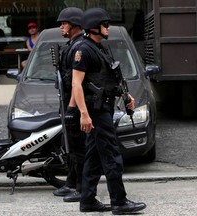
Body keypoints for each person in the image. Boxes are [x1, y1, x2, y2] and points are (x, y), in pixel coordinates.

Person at [71, 8, 147, 214]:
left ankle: (87, 200)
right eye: (105, 24)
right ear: (94, 27)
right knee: (112, 155)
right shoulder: (83, 50)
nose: (108, 28)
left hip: (103, 106)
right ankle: (119, 202)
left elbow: (110, 77)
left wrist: (126, 96)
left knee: (94, 157)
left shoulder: (100, 48)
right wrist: (84, 114)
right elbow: (76, 84)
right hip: (96, 110)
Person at [52, 7, 86, 203]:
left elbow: (76, 82)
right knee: (71, 148)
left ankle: (81, 188)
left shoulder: (79, 46)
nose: (61, 26)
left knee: (79, 148)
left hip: (73, 105)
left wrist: (73, 110)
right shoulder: (72, 45)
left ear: (74, 25)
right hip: (67, 103)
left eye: (64, 23)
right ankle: (72, 183)